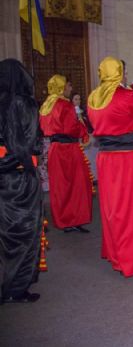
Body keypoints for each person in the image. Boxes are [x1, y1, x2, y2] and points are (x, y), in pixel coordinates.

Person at [87, 57, 133, 277]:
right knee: (130, 208)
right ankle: (131, 260)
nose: (126, 76)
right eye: (124, 72)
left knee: (111, 208)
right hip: (126, 158)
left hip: (106, 158)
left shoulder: (93, 98)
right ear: (118, 73)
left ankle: (115, 252)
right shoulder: (126, 96)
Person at [0, 59, 43, 303]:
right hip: (19, 177)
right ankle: (17, 287)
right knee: (25, 232)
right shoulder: (23, 105)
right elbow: (28, 144)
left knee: (4, 233)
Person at [39, 75, 93, 233]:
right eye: (68, 85)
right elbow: (72, 128)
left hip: (55, 148)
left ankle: (63, 220)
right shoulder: (64, 104)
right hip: (68, 149)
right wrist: (83, 130)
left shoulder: (46, 105)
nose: (70, 88)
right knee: (77, 184)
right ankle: (74, 219)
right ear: (62, 87)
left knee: (60, 187)